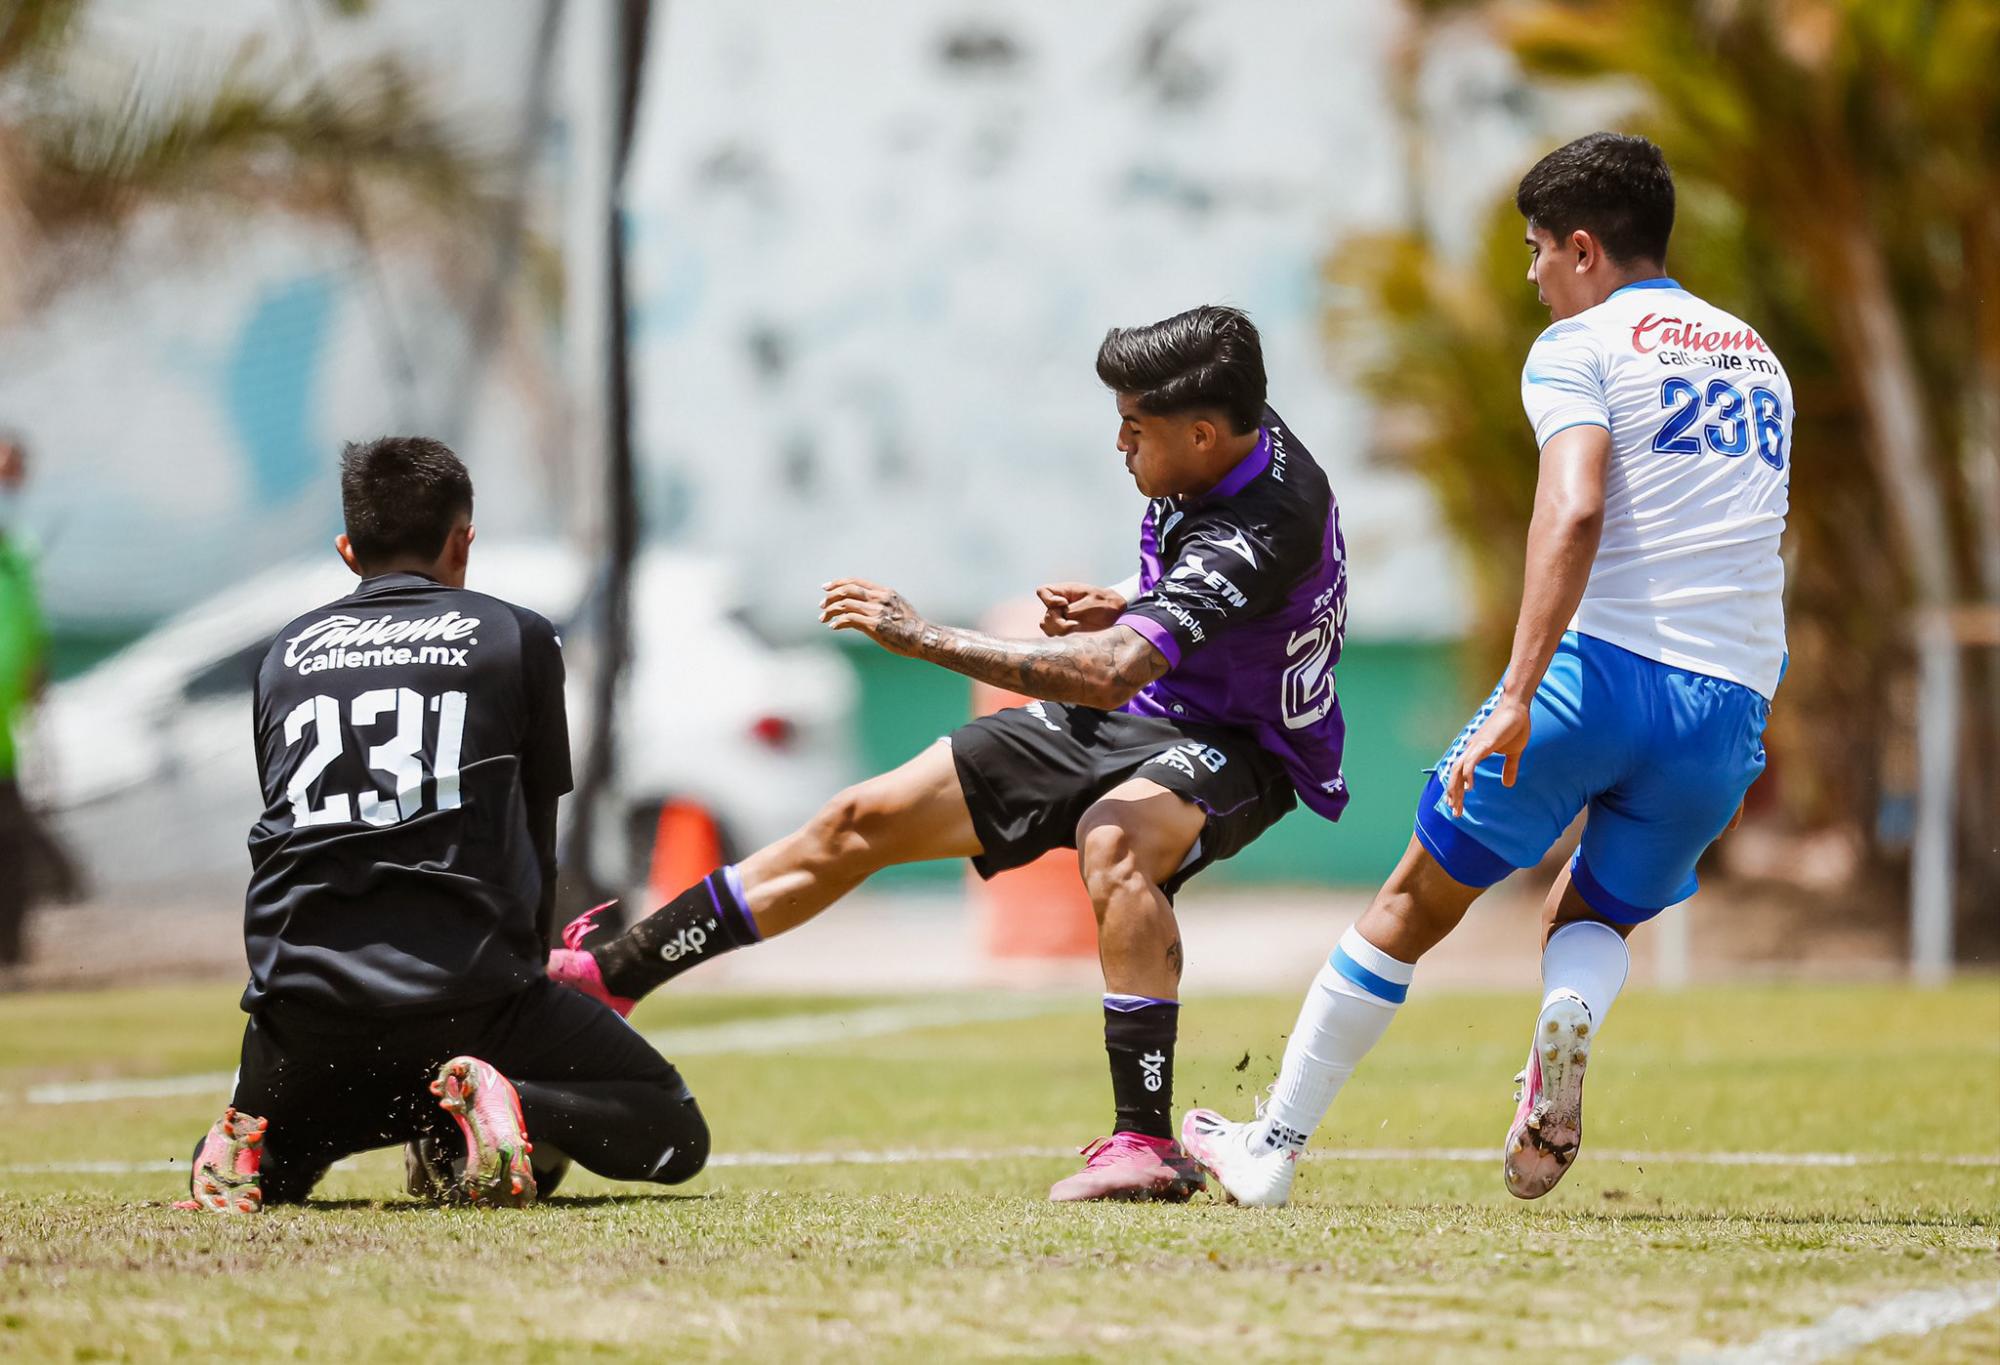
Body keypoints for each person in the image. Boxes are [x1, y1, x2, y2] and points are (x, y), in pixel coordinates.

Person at [546, 305, 1352, 1203]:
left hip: (1242, 743)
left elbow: (1113, 671)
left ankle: (1145, 1143)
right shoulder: (1232, 427)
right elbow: (1194, 596)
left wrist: (922, 636)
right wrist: (1132, 597)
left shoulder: (1262, 523)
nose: (1119, 443)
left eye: (1134, 427)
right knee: (863, 817)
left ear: (1201, 435)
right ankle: (612, 976)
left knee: (1114, 840)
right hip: (1154, 702)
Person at [1180, 132, 1790, 1206]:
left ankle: (1270, 1146)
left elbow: (1576, 505)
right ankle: (1567, 1022)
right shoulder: (1756, 357)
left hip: (1597, 676)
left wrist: (1516, 693)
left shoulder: (1579, 343)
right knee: (1592, 917)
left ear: (1584, 249)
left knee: (1410, 906)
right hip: (1730, 700)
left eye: (1537, 249)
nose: (1533, 275)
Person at [182, 436, 708, 1212]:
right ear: (463, 540)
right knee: (672, 1129)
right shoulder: (515, 635)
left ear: (347, 549)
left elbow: (291, 833)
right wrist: (531, 967)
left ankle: (246, 1140)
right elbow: (537, 831)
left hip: (301, 1014)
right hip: (466, 1001)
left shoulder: (284, 653)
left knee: (285, 1166)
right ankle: (502, 1103)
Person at [0, 434, 49, 972]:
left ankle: (9, 959)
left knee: (10, 851)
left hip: (4, 744)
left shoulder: (17, 558)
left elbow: (30, 641)